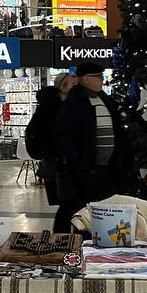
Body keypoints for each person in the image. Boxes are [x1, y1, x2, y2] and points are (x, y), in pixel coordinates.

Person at [54, 62, 129, 233]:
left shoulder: (105, 99)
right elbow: (63, 135)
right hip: (84, 169)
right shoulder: (74, 103)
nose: (102, 80)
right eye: (98, 76)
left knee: (103, 209)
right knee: (81, 211)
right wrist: (77, 162)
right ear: (86, 79)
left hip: (107, 169)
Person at [25, 71, 77, 209]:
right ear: (63, 86)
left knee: (68, 205)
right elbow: (42, 134)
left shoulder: (71, 105)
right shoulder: (50, 108)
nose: (77, 87)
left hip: (62, 162)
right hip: (56, 163)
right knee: (66, 205)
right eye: (73, 84)